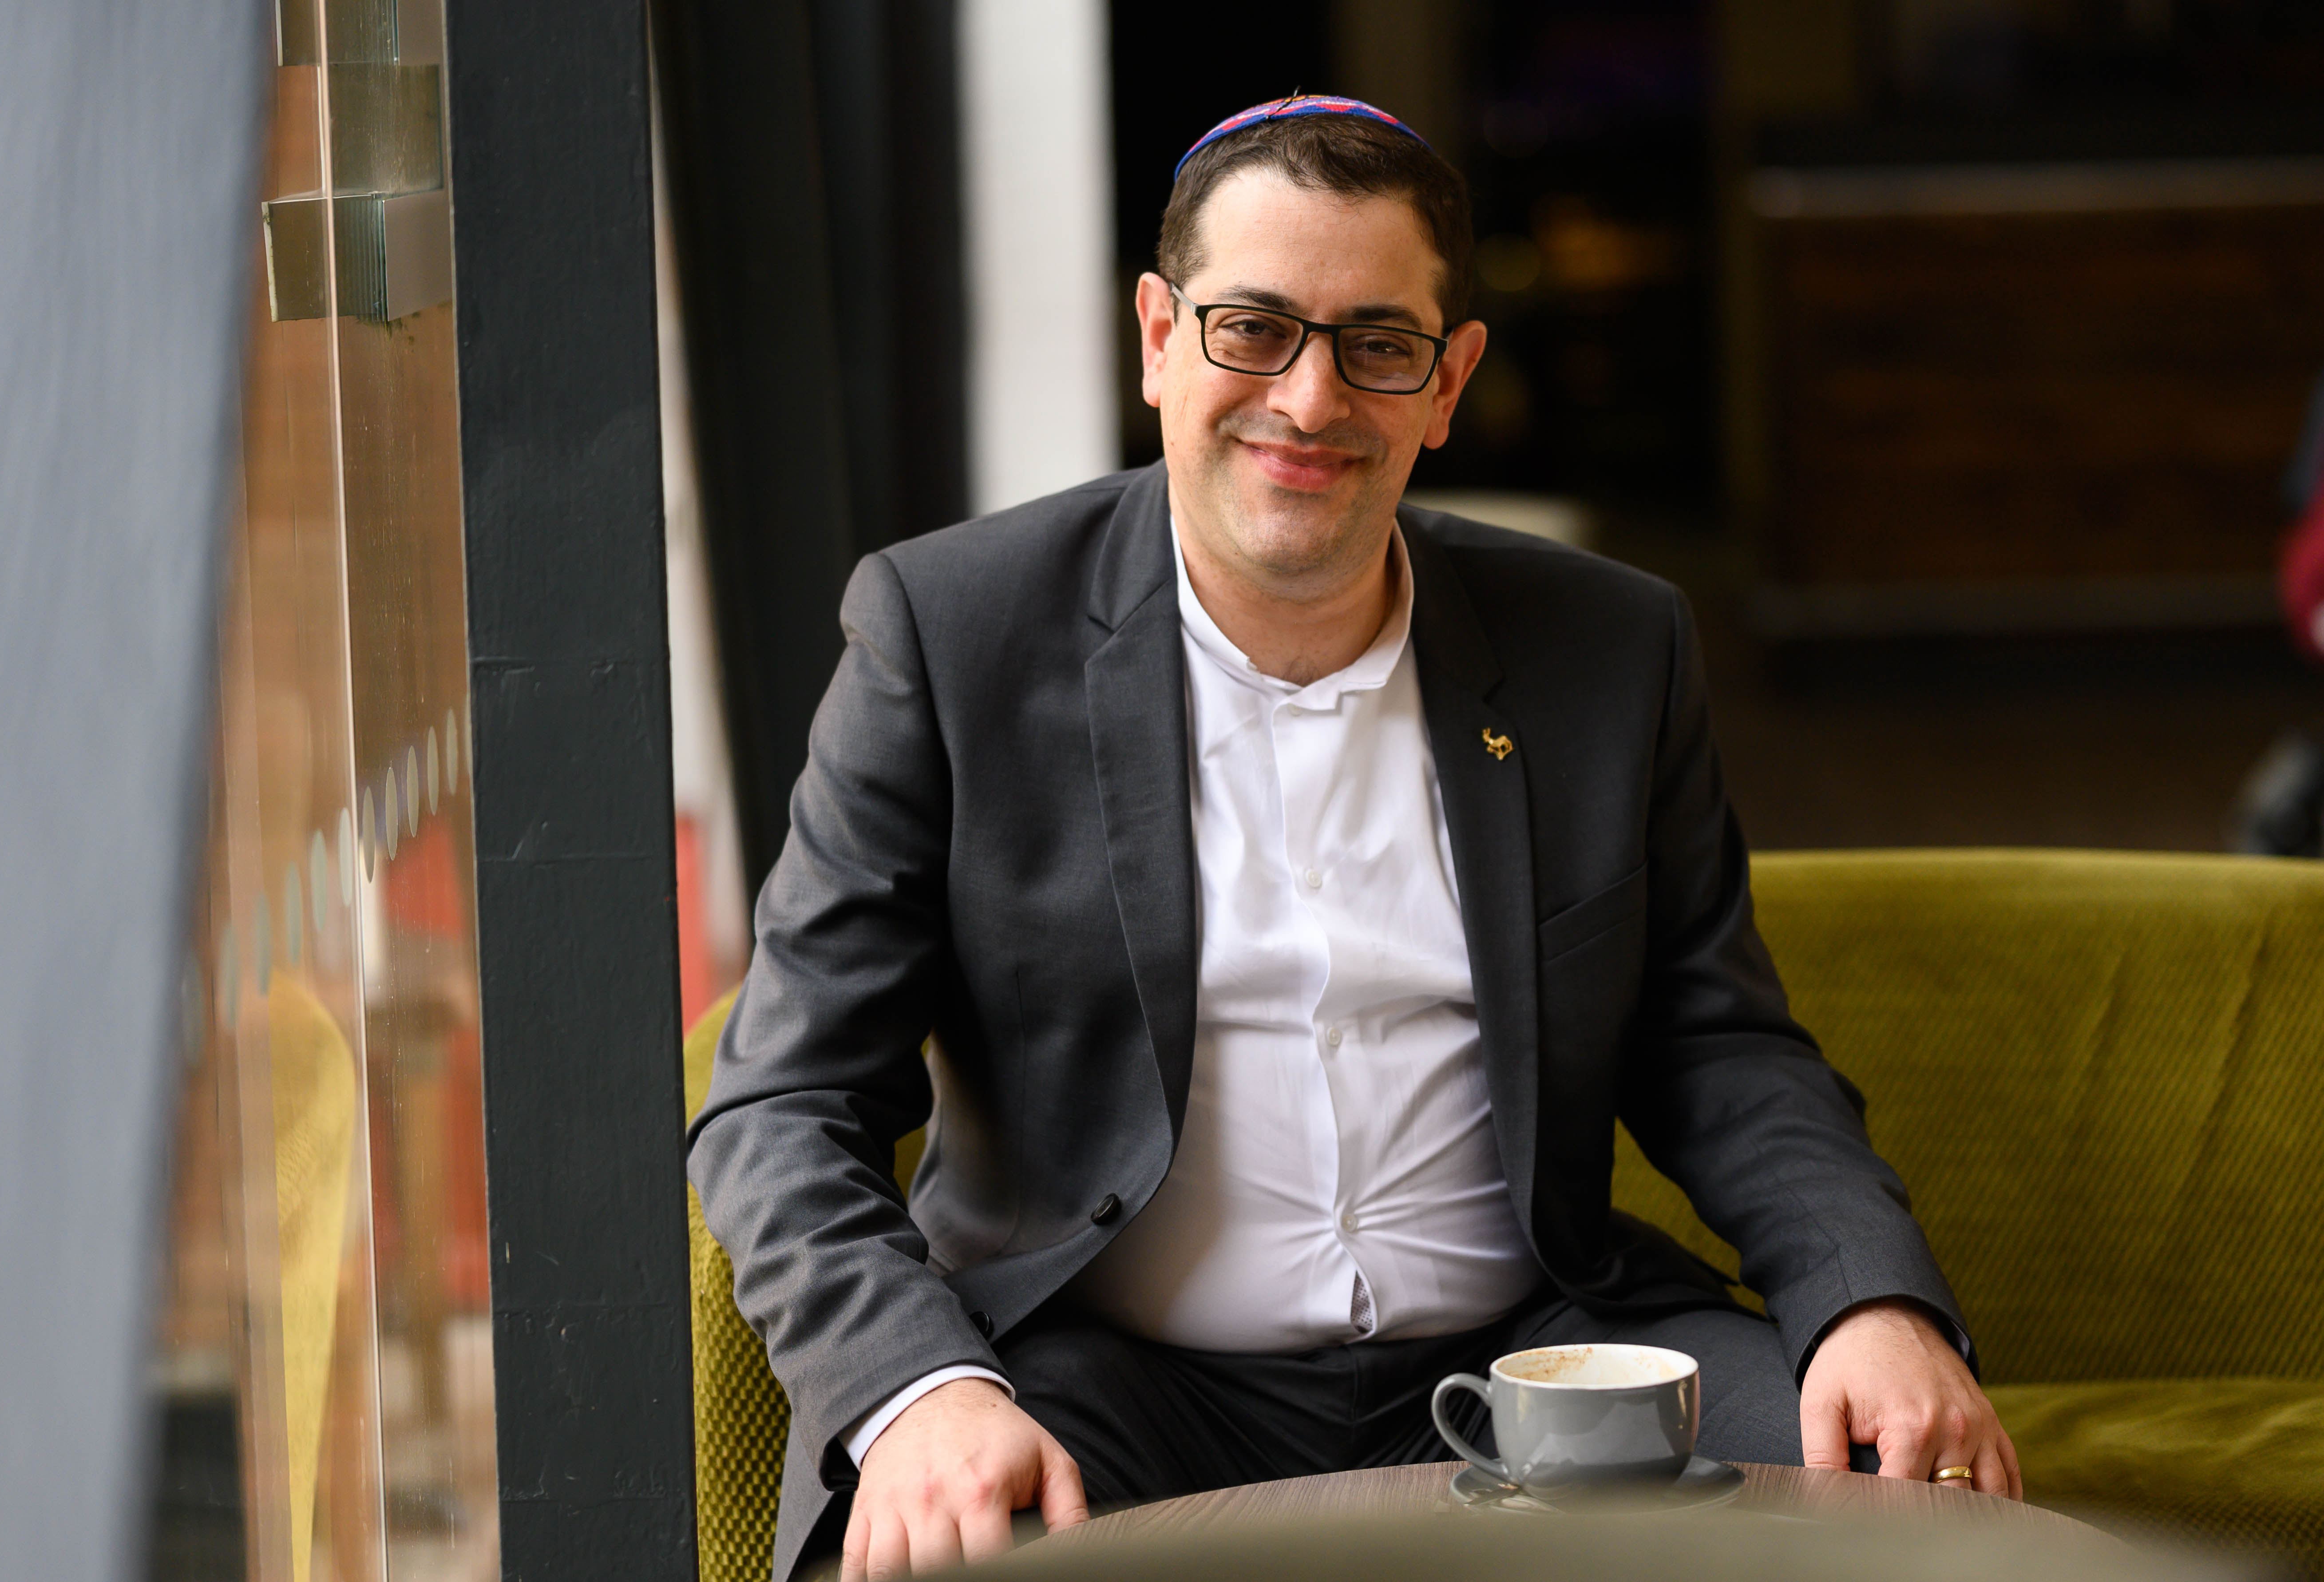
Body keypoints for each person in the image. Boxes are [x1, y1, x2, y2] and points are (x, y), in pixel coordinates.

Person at [687, 96, 2018, 1582]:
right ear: (1154, 337)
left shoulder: (1608, 644)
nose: (1310, 401)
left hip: (1539, 1364)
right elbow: (784, 1101)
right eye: (1250, 327)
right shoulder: (949, 632)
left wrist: (1867, 1304)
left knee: (1915, 1534)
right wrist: (921, 1389)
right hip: (1107, 1376)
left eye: (1376, 344)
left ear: (1447, 384)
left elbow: (1716, 1043)